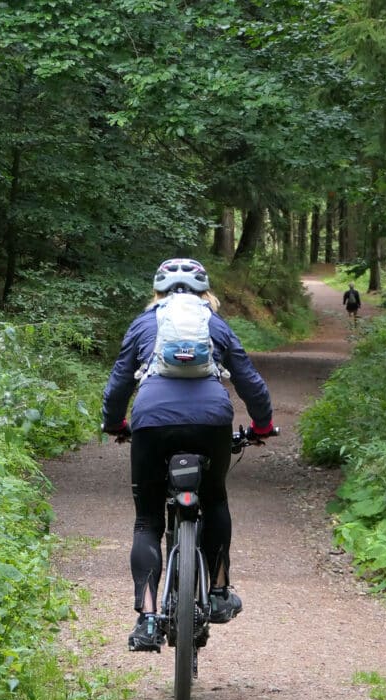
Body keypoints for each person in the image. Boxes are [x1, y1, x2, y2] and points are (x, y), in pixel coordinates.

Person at [102, 258, 274, 651]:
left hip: (151, 419)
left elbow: (118, 382)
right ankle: (216, 592)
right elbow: (249, 380)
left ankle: (146, 620)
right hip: (211, 420)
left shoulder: (145, 323)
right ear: (204, 292)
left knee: (148, 519)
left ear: (158, 291)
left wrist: (115, 423)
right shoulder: (215, 324)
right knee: (213, 499)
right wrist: (262, 425)